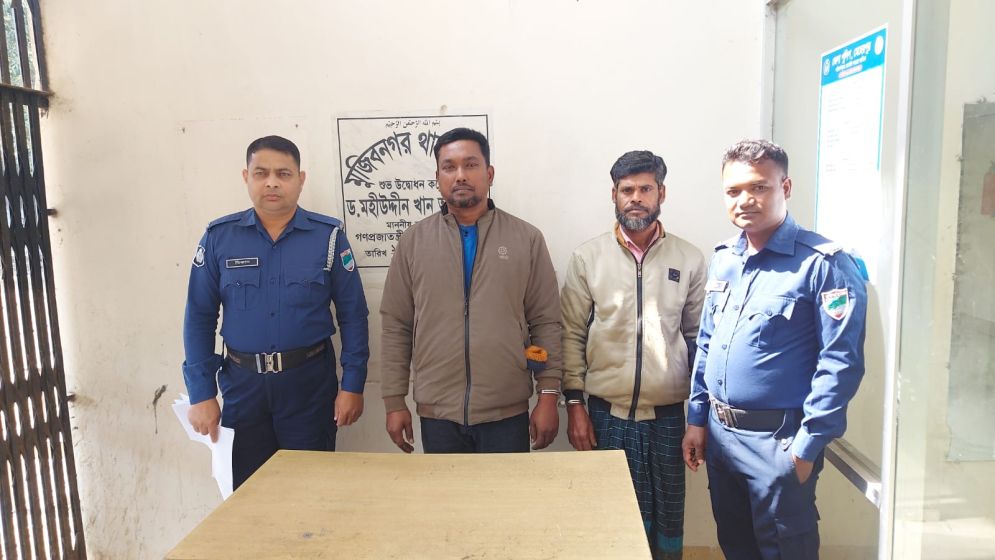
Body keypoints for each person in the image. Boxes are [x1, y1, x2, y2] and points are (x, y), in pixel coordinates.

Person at [682, 139, 867, 559]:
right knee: (736, 547)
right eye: (733, 191)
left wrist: (805, 448)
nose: (744, 200)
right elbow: (707, 343)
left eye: (759, 187)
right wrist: (697, 419)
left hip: (778, 443)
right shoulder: (725, 259)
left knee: (784, 551)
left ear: (786, 187)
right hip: (721, 439)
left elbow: (841, 363)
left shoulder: (822, 264)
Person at [182, 135, 369, 489]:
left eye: (283, 173)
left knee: (310, 490)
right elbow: (199, 317)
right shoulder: (219, 238)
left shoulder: (328, 237)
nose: (271, 182)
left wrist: (352, 384)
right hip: (243, 387)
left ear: (300, 179)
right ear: (246, 177)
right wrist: (201, 393)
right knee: (249, 494)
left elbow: (353, 315)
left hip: (309, 387)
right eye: (261, 173)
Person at [560, 150, 705, 559]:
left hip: (668, 417)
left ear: (662, 193)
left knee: (668, 521)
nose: (636, 198)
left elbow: (698, 340)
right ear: (614, 195)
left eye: (645, 188)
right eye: (627, 190)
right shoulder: (588, 258)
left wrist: (699, 416)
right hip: (606, 415)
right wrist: (575, 406)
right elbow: (570, 334)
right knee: (613, 522)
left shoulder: (689, 259)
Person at [380, 127, 561, 454]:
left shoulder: (526, 239)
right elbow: (396, 325)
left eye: (471, 164)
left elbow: (545, 322)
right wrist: (394, 401)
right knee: (446, 490)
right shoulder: (413, 242)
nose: (460, 175)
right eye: (449, 167)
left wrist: (547, 395)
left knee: (507, 490)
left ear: (489, 174)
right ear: (438, 178)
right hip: (437, 412)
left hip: (506, 410)